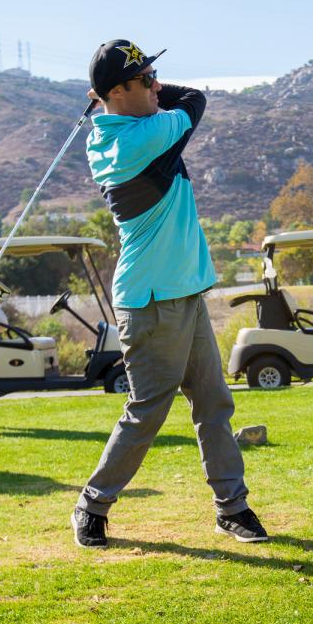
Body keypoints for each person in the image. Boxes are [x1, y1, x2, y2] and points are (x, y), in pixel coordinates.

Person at [71, 39, 267, 548]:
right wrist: (142, 90)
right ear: (115, 92)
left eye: (156, 76)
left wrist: (134, 84)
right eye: (145, 80)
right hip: (151, 299)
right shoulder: (140, 139)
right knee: (147, 411)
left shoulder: (115, 130)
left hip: (183, 291)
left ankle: (233, 507)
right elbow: (195, 99)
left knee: (213, 403)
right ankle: (92, 504)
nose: (158, 86)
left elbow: (169, 94)